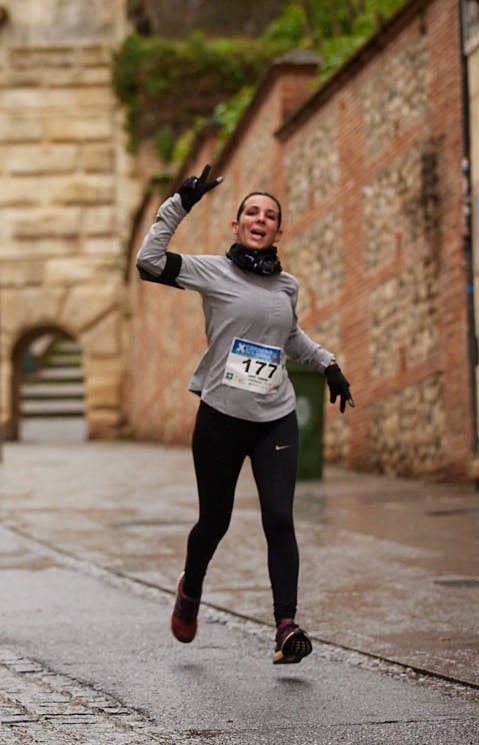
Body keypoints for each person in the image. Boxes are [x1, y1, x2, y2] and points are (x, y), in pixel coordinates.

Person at [135, 164, 354, 665]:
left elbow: (287, 335)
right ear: (237, 226)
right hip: (221, 415)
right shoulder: (212, 271)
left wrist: (327, 363)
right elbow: (148, 261)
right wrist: (180, 203)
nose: (261, 219)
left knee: (279, 517)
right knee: (215, 521)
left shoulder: (286, 286)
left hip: (274, 416)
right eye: (252, 212)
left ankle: (285, 627)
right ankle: (190, 590)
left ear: (279, 230)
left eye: (270, 215)